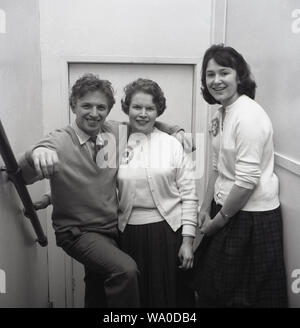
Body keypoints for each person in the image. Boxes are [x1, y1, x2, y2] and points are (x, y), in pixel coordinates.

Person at [18, 73, 182, 308]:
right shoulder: (59, 140)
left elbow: (144, 121)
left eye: (101, 107)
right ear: (73, 105)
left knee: (98, 291)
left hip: (112, 230)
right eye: (86, 106)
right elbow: (23, 172)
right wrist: (36, 153)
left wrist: (177, 130)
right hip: (79, 233)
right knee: (125, 271)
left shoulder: (114, 132)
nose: (94, 113)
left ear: (108, 110)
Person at [192, 44, 288, 307]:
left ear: (239, 76)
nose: (217, 80)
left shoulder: (248, 116)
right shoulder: (221, 113)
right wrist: (204, 206)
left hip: (250, 216)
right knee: (211, 290)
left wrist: (218, 221)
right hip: (226, 207)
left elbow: (246, 181)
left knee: (243, 299)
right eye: (210, 75)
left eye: (224, 72)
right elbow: (216, 165)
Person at [117, 78, 198, 307]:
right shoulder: (114, 143)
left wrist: (188, 242)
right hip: (128, 235)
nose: (143, 114)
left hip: (168, 234)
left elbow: (190, 196)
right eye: (137, 107)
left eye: (150, 108)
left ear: (158, 111)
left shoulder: (172, 144)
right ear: (127, 108)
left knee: (168, 299)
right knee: (136, 299)